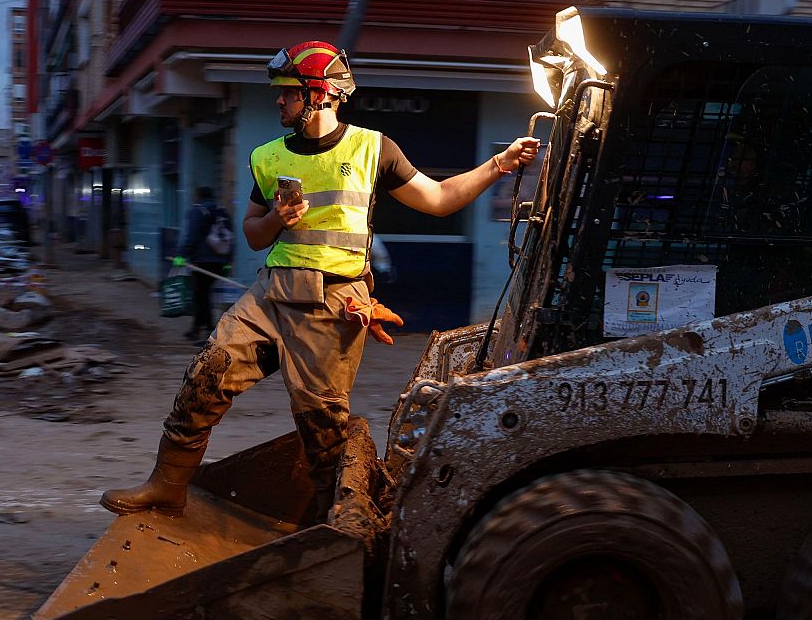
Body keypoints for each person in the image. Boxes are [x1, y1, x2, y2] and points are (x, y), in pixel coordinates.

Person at [100, 40, 540, 521]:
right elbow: (252, 234)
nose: (279, 101)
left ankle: (333, 527)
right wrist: (276, 220)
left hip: (333, 303)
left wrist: (498, 165)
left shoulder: (374, 148)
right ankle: (167, 486)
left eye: (287, 92)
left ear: (320, 94)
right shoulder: (267, 157)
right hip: (270, 294)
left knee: (321, 426)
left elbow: (437, 198)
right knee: (206, 375)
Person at [174, 186, 231, 344]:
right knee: (203, 295)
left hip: (202, 261)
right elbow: (230, 236)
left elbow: (192, 236)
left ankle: (209, 333)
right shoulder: (223, 212)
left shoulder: (197, 211)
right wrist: (227, 261)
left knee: (201, 296)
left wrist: (180, 255)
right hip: (219, 260)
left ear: (198, 196)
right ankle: (196, 329)